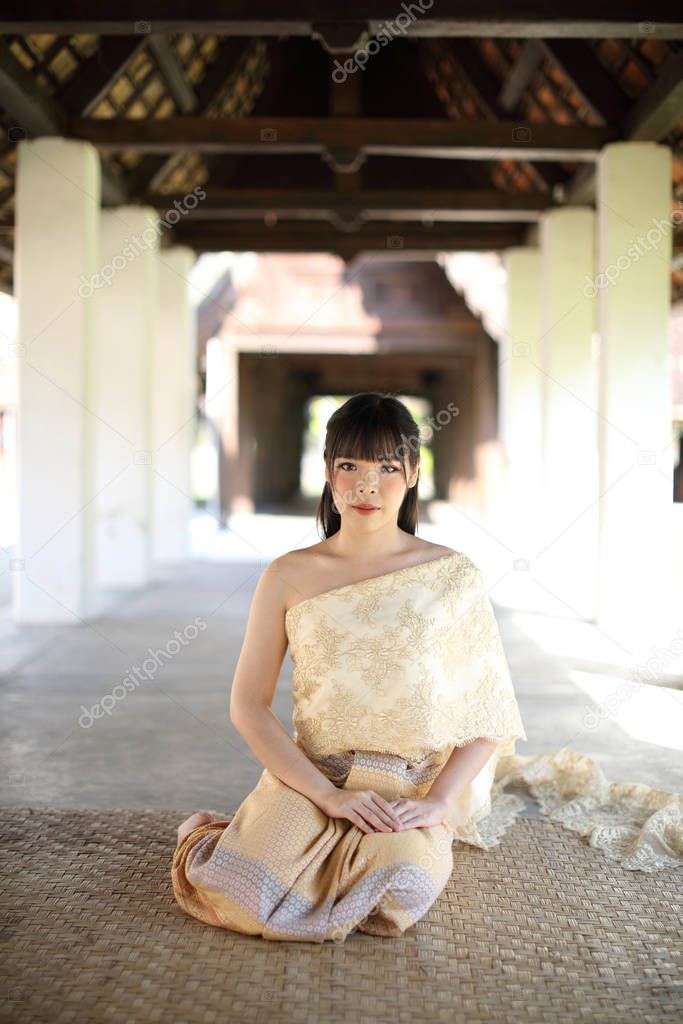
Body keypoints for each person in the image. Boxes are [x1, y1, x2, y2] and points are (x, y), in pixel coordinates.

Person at [171, 391, 529, 942]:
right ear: (329, 473)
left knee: (394, 895)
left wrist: (436, 802)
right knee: (240, 895)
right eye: (350, 465)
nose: (367, 485)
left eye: (387, 467)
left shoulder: (452, 575)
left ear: (411, 473)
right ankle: (206, 837)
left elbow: (490, 714)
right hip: (315, 775)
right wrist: (329, 796)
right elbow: (247, 705)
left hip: (407, 787)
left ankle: (376, 844)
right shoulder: (287, 575)